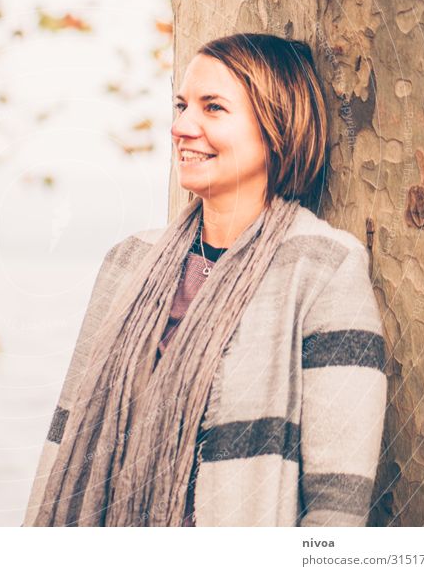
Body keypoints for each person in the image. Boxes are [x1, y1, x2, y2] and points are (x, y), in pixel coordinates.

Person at [23, 33, 388, 527]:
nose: (181, 126)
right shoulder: (129, 262)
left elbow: (337, 504)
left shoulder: (322, 267)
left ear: (275, 126)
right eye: (181, 105)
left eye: (213, 108)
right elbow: (64, 439)